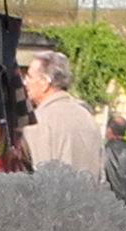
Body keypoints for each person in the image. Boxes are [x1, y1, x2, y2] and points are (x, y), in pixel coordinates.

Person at [21, 50, 104, 178]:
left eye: (29, 76)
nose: (25, 82)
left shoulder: (37, 121)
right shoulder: (87, 117)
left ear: (45, 82)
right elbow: (101, 175)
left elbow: (41, 178)